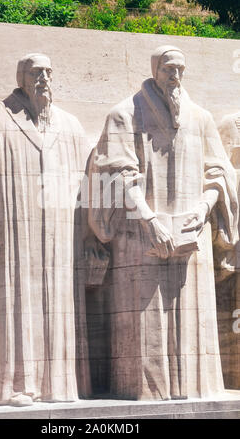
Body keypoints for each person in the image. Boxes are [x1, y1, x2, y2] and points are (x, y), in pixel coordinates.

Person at [88, 45, 238, 400]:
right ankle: (144, 392)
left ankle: (196, 389)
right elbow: (117, 174)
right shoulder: (125, 115)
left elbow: (218, 173)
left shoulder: (199, 118)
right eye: (169, 69)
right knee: (145, 324)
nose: (175, 76)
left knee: (192, 322)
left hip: (190, 236)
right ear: (155, 69)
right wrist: (149, 219)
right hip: (139, 237)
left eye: (181, 70)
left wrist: (203, 209)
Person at [0, 53, 88, 406]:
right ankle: (7, 387)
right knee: (12, 310)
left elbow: (88, 189)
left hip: (59, 243)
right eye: (36, 72)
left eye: (48, 72)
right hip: (9, 243)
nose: (44, 79)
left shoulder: (70, 128)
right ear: (21, 77)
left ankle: (58, 385)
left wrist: (90, 239)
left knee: (57, 309)